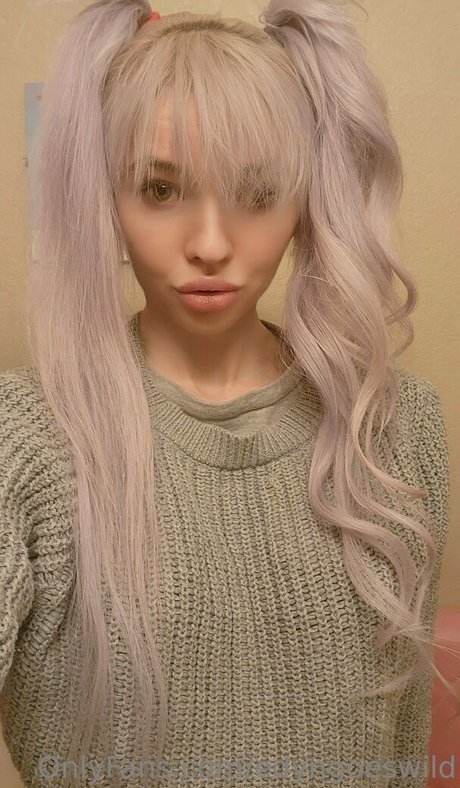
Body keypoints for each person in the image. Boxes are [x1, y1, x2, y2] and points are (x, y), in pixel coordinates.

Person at [0, 1, 457, 786]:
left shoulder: (394, 429)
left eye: (257, 192)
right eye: (160, 188)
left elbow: (404, 741)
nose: (211, 244)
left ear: (305, 203)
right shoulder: (29, 440)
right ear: (105, 197)